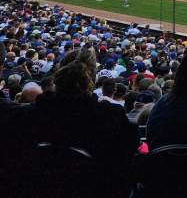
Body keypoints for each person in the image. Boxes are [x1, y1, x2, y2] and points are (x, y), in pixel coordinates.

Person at [25, 61, 138, 197]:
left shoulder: (34, 112)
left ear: (57, 85)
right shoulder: (109, 114)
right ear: (89, 84)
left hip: (39, 185)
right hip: (96, 186)